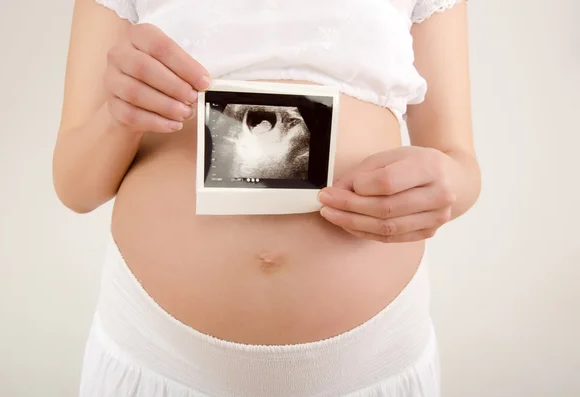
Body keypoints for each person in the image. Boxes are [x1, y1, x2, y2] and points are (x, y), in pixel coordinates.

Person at [53, 0, 480, 396]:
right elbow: (76, 186)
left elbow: (459, 163)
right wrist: (118, 113)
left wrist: (450, 184)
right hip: (157, 358)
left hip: (370, 363)